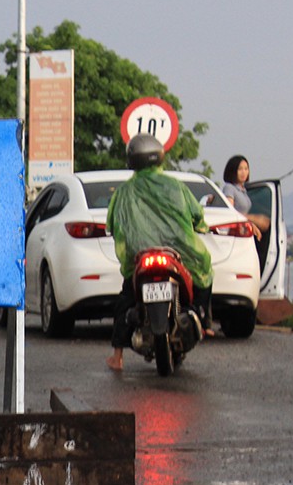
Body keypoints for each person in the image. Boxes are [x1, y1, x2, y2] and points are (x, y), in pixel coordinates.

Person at [106, 134, 214, 372]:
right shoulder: (175, 186)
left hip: (141, 257)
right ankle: (203, 319)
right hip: (176, 252)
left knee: (125, 299)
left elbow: (113, 224)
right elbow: (196, 215)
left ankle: (117, 356)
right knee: (205, 267)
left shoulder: (123, 192)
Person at [221, 154, 271, 268]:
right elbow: (229, 212)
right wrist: (252, 221)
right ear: (233, 171)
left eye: (246, 168)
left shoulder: (243, 190)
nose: (244, 172)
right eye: (240, 169)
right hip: (234, 236)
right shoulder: (229, 188)